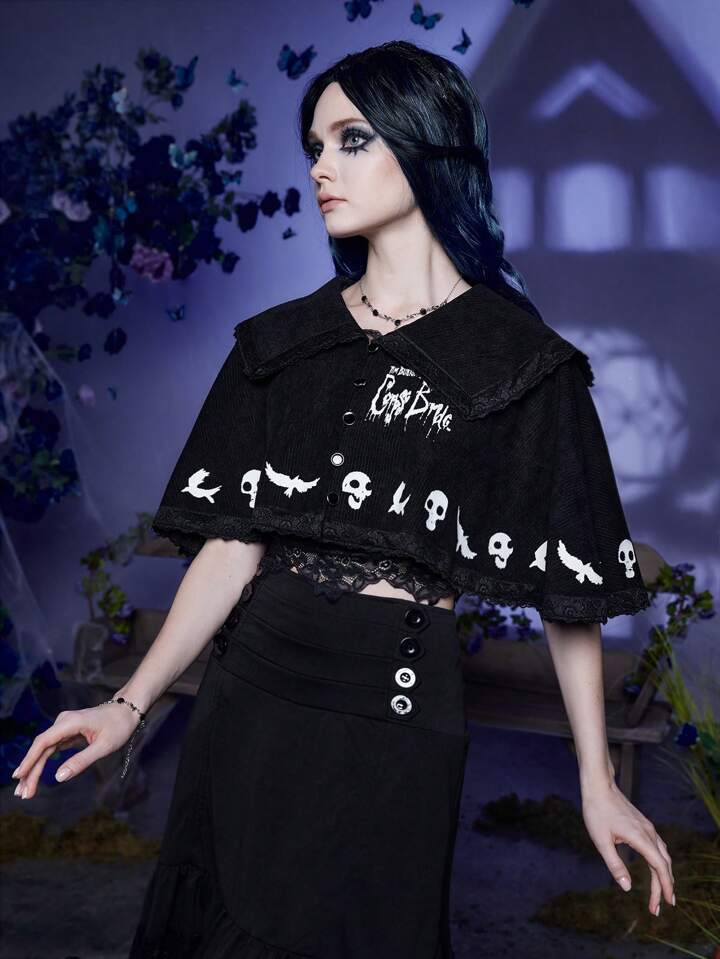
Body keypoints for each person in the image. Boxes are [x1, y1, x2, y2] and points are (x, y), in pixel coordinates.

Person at [11, 39, 674, 958]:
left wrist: (596, 780)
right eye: (315, 147)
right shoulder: (282, 344)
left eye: (352, 140)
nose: (322, 167)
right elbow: (232, 546)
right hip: (250, 697)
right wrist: (127, 706)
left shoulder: (524, 366)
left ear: (427, 142)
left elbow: (570, 594)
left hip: (400, 710)